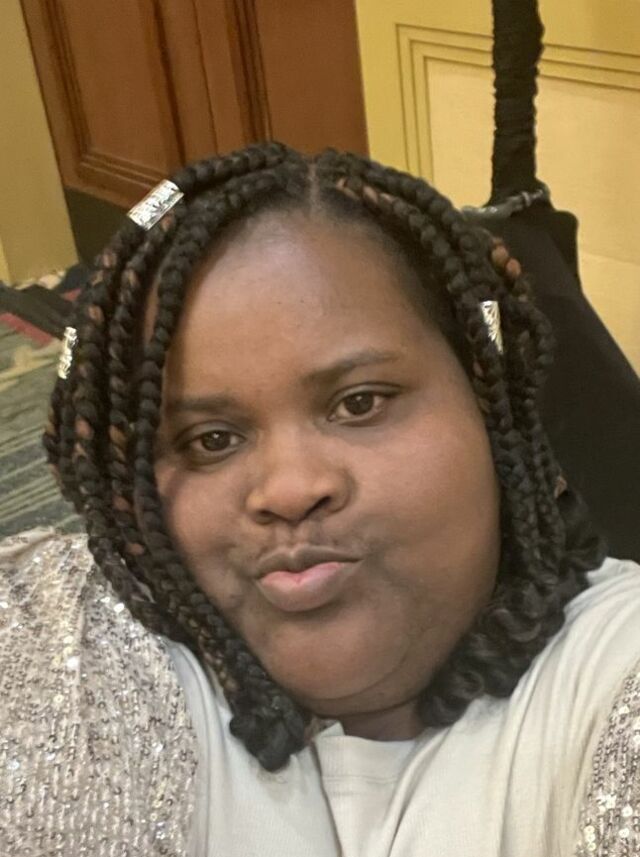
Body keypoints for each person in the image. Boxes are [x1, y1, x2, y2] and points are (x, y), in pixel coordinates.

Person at [1, 142, 638, 856]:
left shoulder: (613, 666)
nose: (290, 490)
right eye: (211, 440)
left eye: (360, 402)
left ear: (493, 409)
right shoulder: (74, 647)